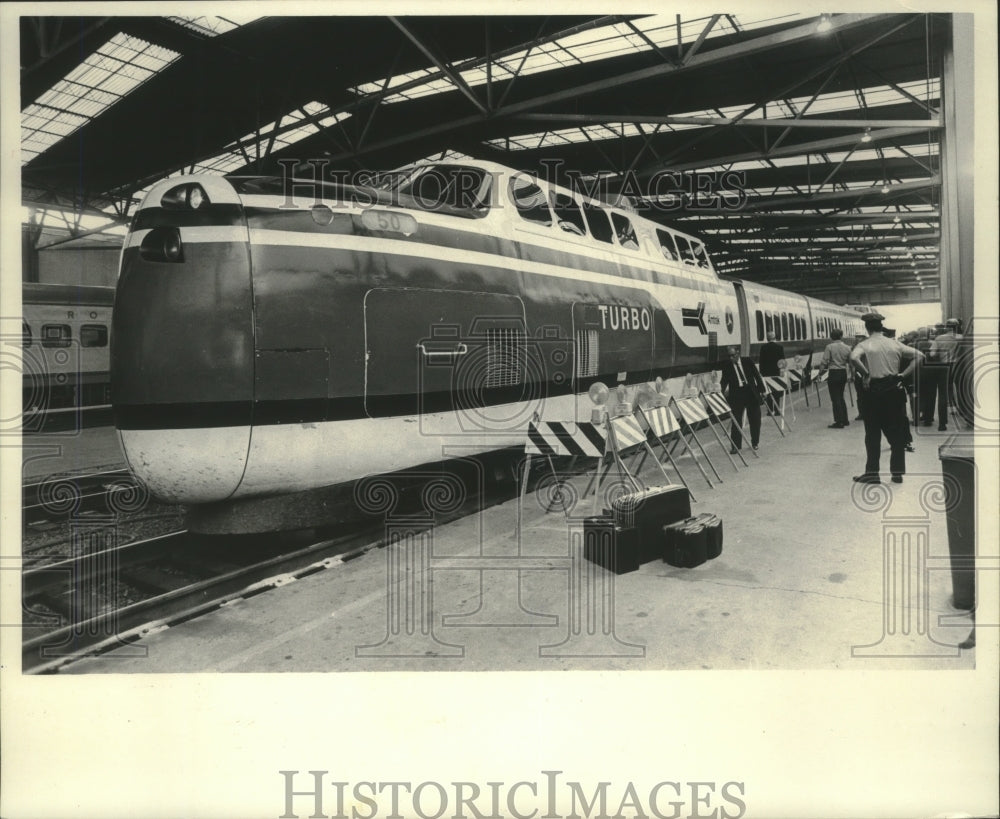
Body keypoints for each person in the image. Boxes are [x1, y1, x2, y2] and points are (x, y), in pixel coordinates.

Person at [849, 313, 918, 484]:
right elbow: (920, 356)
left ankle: (872, 474)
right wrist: (903, 375)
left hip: (873, 392)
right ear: (881, 327)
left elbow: (853, 358)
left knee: (872, 434)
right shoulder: (895, 344)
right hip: (894, 391)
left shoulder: (865, 344)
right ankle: (897, 473)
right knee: (896, 433)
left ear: (867, 328)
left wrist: (865, 374)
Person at [720, 346, 766, 452]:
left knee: (755, 420)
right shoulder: (727, 366)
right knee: (736, 420)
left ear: (738, 353)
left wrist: (762, 390)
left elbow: (757, 376)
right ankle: (735, 447)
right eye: (729, 356)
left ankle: (755, 443)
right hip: (737, 395)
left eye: (733, 355)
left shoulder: (747, 361)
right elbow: (724, 382)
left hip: (751, 393)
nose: (731, 358)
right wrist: (719, 394)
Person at [925, 318, 960, 431]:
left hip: (941, 367)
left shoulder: (939, 338)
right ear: (957, 327)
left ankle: (942, 424)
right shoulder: (961, 338)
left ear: (946, 327)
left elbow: (932, 353)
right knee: (956, 389)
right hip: (956, 366)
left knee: (940, 393)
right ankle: (959, 412)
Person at [817, 328, 852, 428]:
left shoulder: (829, 347)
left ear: (831, 337)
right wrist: (851, 375)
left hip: (833, 373)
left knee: (835, 398)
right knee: (841, 396)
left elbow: (824, 361)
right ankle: (845, 419)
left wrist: (819, 373)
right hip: (843, 373)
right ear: (841, 336)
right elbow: (851, 362)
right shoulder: (847, 347)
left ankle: (839, 421)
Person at [758, 331, 784, 415]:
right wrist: (781, 371)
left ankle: (769, 410)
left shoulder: (763, 348)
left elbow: (761, 361)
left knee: (768, 392)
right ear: (774, 337)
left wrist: (761, 372)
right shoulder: (779, 347)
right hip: (776, 372)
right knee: (776, 390)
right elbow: (782, 361)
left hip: (766, 374)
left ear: (767, 338)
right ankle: (777, 410)